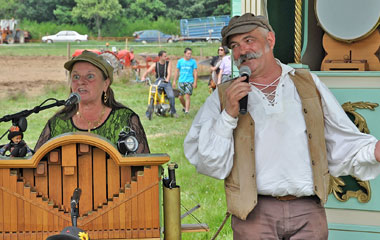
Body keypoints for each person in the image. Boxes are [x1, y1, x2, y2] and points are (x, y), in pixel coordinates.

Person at [184, 13, 380, 239]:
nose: (242, 51)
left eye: (249, 40)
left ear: (270, 40)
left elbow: (342, 140)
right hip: (254, 215)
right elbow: (210, 163)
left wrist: (373, 151)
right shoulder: (222, 96)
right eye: (235, 45)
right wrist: (228, 115)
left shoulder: (308, 84)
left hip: (308, 213)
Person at [35, 50, 150, 155]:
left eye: (90, 76)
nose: (81, 81)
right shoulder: (58, 123)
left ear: (105, 84)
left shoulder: (125, 120)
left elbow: (146, 168)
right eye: (75, 76)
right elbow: (36, 166)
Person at [141, 50, 178, 118]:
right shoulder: (155, 64)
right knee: (152, 94)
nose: (166, 57)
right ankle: (149, 113)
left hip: (166, 82)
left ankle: (173, 111)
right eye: (164, 56)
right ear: (160, 57)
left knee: (171, 96)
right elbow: (148, 71)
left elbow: (169, 73)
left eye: (166, 56)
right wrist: (143, 77)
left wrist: (167, 79)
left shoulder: (168, 63)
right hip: (158, 81)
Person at [173, 47, 197, 114]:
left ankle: (187, 111)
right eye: (188, 53)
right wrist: (174, 80)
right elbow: (177, 71)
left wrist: (195, 81)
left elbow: (195, 72)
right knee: (180, 97)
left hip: (189, 81)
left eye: (190, 54)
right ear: (185, 54)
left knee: (187, 95)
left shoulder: (193, 62)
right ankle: (185, 107)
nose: (189, 55)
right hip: (181, 81)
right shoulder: (180, 61)